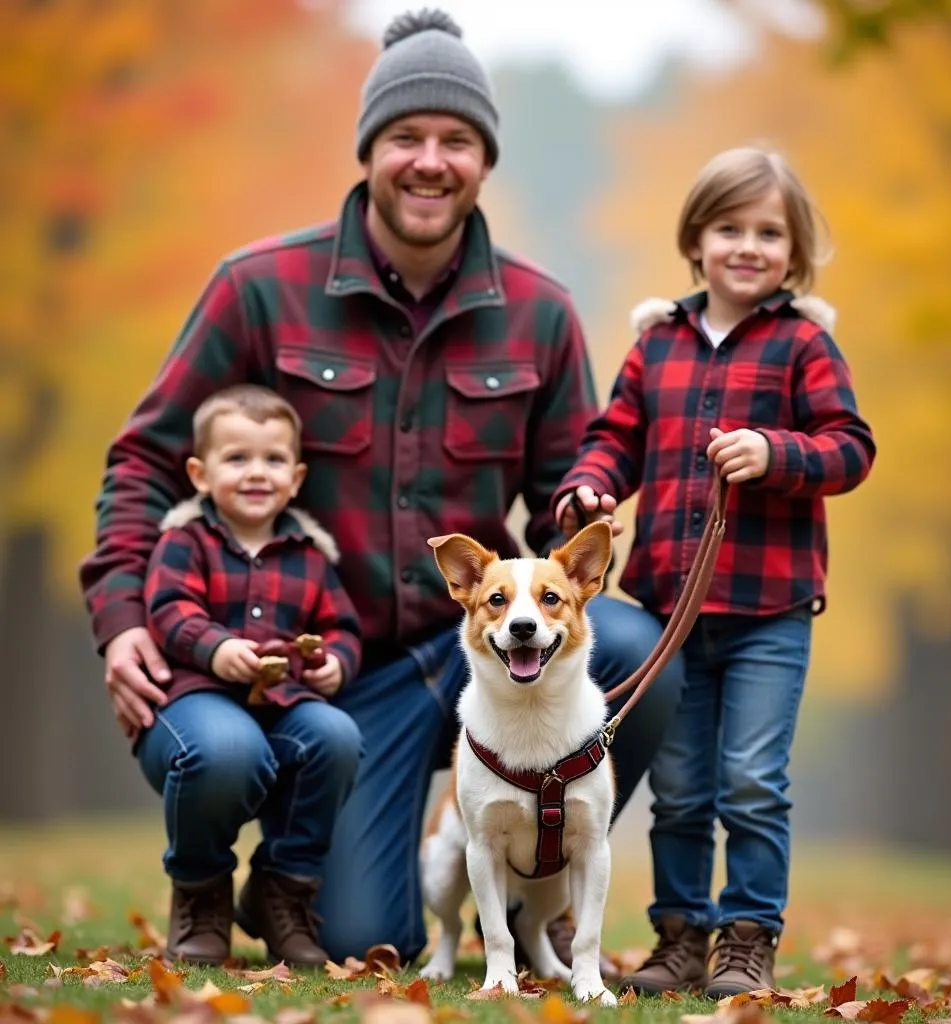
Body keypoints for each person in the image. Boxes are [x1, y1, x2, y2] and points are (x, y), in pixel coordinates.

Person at [79, 7, 683, 969]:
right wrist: (122, 620)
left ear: (485, 161)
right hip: (343, 673)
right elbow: (145, 459)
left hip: (482, 645)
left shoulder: (541, 314)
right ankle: (284, 875)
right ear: (369, 150)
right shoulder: (259, 287)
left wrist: (611, 511)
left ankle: (537, 907)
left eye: (457, 140)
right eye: (406, 136)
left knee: (633, 647)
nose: (430, 161)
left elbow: (572, 492)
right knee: (371, 942)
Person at [553, 146, 876, 997]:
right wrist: (590, 485)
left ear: (794, 250)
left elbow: (851, 447)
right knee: (684, 786)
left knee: (752, 782)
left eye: (769, 232)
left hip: (770, 608)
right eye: (728, 227)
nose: (747, 246)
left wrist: (776, 451)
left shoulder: (804, 342)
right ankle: (681, 935)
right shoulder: (656, 342)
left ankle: (748, 937)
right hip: (673, 610)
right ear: (695, 241)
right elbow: (614, 438)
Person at [138, 384, 362, 967]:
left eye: (273, 459)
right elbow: (168, 611)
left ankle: (280, 891)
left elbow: (341, 627)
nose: (256, 472)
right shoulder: (185, 539)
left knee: (336, 736)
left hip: (283, 703)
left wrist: (334, 662)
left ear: (296, 476)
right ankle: (200, 890)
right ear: (200, 472)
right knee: (228, 748)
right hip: (195, 701)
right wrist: (216, 648)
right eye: (237, 458)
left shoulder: (311, 554)